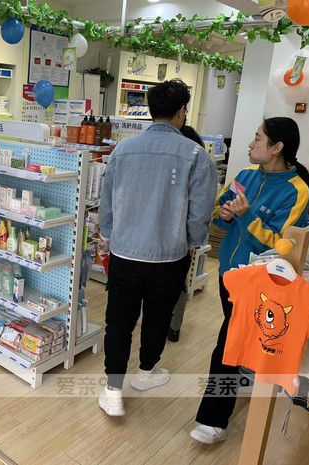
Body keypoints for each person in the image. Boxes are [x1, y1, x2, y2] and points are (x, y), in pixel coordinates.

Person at [98, 79, 218, 417]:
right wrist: (193, 243)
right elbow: (199, 213)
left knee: (118, 321)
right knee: (158, 316)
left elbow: (107, 202)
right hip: (170, 255)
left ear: (151, 111)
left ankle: (113, 390)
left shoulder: (122, 150)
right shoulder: (196, 155)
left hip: (125, 252)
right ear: (182, 112)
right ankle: (146, 372)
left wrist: (109, 234)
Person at [190, 117, 309, 444]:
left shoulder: (296, 190)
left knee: (228, 344)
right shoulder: (245, 175)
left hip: (260, 281)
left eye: (258, 138)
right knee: (236, 338)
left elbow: (281, 243)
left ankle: (213, 420)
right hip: (228, 274)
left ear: (277, 147)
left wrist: (246, 217)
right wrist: (225, 214)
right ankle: (241, 377)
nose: (250, 143)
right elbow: (218, 210)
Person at [168, 125, 207, 343]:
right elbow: (200, 210)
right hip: (182, 239)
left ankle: (168, 324)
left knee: (173, 284)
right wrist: (194, 240)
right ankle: (174, 326)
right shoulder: (197, 165)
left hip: (173, 238)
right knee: (179, 284)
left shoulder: (173, 165)